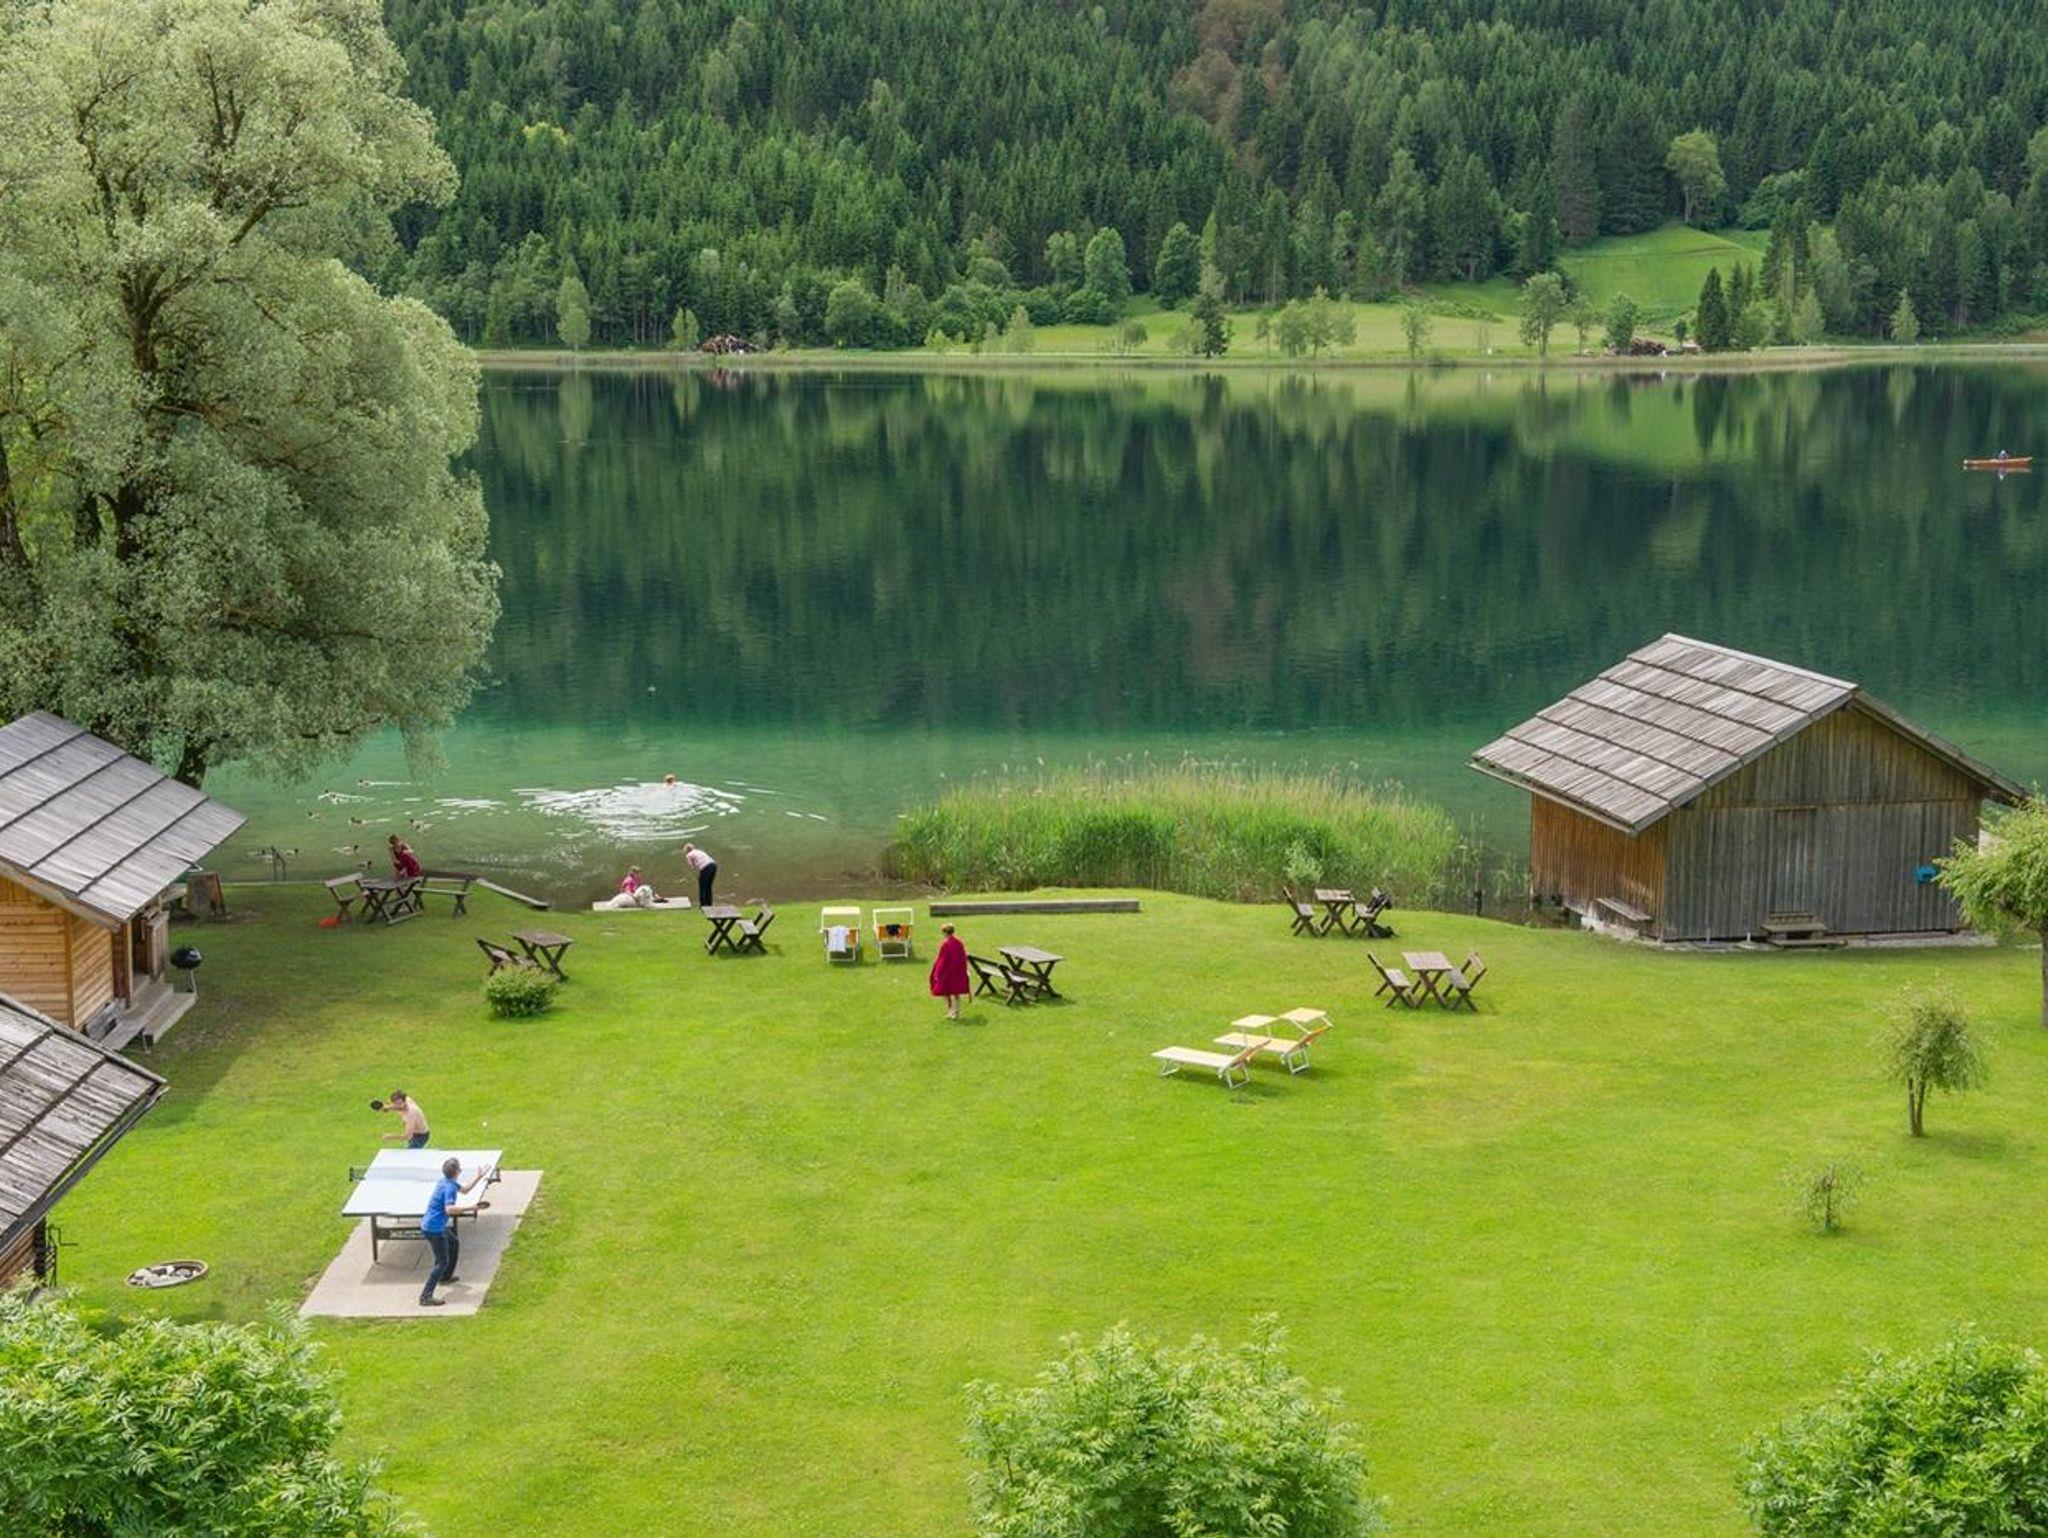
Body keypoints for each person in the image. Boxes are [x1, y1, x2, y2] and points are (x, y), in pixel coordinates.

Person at [418, 1156, 490, 1308]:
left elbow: (465, 1190)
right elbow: (449, 1209)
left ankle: (445, 1277)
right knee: (441, 1263)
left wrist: (478, 1177)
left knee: (453, 1242)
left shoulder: (445, 1181)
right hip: (434, 1229)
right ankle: (425, 1296)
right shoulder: (449, 1187)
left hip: (431, 1224)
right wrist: (472, 1208)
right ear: (457, 1172)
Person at [930, 922, 970, 1020]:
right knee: (956, 993)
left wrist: (937, 972)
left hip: (948, 972)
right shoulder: (959, 943)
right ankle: (956, 1013)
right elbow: (963, 958)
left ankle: (951, 1010)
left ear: (945, 932)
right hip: (957, 971)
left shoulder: (945, 944)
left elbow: (942, 960)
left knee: (944, 991)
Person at [682, 842, 717, 908]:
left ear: (686, 850)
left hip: (706, 868)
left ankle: (703, 905)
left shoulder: (689, 855)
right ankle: (709, 904)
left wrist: (696, 871)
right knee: (708, 886)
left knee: (702, 887)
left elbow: (692, 866)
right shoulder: (699, 851)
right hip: (713, 865)